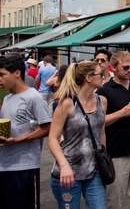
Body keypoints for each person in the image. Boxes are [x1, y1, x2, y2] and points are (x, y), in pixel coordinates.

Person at [48, 61, 108, 208]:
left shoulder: (102, 101)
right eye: (100, 74)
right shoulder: (67, 103)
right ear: (89, 78)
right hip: (69, 172)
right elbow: (52, 138)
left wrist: (104, 158)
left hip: (94, 171)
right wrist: (64, 166)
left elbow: (101, 133)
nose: (104, 77)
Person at [97, 51, 130, 209]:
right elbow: (98, 122)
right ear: (113, 68)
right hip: (116, 152)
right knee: (115, 200)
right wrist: (122, 113)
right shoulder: (104, 91)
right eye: (125, 67)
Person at [0, 53, 52, 209]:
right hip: (4, 165)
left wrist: (18, 140)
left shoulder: (34, 97)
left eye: (2, 75)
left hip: (26, 166)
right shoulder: (7, 98)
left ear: (17, 73)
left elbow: (47, 127)